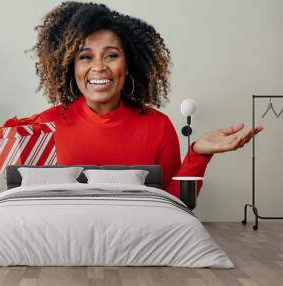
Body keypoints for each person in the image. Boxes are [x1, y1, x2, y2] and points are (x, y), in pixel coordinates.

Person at [18, 2, 263, 198]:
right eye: (85, 57)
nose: (99, 67)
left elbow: (174, 204)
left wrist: (198, 154)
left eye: (111, 55)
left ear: (129, 65)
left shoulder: (158, 126)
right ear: (70, 67)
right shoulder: (43, 127)